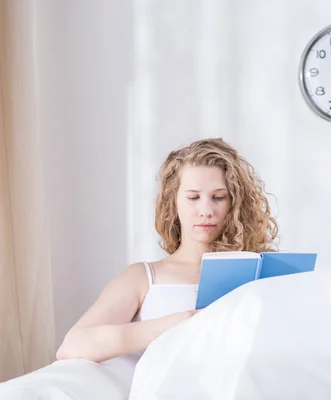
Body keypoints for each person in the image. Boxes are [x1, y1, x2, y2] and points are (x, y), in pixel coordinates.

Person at [56, 138, 279, 363]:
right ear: (174, 202)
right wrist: (174, 324)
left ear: (234, 204)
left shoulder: (260, 274)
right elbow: (72, 346)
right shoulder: (143, 277)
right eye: (193, 197)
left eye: (219, 197)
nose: (206, 210)